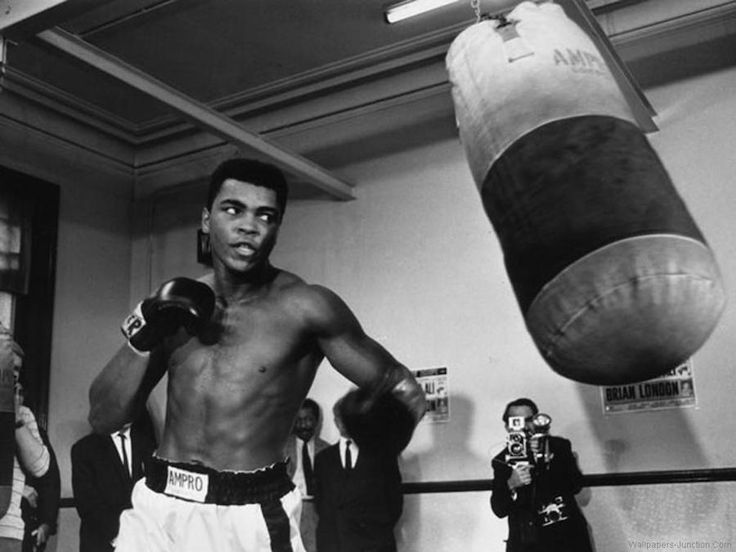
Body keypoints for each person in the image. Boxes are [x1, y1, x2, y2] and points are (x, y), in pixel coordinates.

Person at [87, 158, 427, 552]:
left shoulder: (306, 307)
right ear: (205, 218)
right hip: (159, 503)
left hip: (248, 513)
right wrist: (144, 333)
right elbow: (102, 417)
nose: (249, 225)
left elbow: (405, 391)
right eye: (233, 209)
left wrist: (378, 430)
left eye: (265, 215)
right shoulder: (175, 305)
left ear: (276, 229)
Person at [490, 398, 593, 552]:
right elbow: (499, 509)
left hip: (566, 538)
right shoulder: (501, 461)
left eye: (529, 420)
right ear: (507, 427)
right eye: (516, 421)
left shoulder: (559, 447)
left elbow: (575, 485)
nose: (524, 427)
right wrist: (510, 484)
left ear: (538, 421)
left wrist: (549, 458)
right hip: (527, 541)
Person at [314, 391, 404, 552]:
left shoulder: (381, 455)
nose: (344, 424)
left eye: (348, 419)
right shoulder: (323, 459)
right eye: (340, 419)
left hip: (373, 544)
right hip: (335, 544)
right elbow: (321, 503)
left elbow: (394, 502)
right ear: (335, 421)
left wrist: (375, 531)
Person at [71, 414, 157, 552]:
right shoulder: (84, 449)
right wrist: (126, 534)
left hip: (144, 544)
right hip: (103, 544)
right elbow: (87, 506)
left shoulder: (149, 445)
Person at [0, 326, 50, 552]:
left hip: (9, 532)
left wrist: (17, 418)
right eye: (7, 365)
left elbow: (40, 467)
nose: (13, 373)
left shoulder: (25, 415)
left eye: (17, 369)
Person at [285, 398, 329, 552]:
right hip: (290, 508)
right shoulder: (281, 448)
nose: (304, 425)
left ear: (317, 421)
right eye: (299, 420)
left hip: (316, 509)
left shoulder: (327, 450)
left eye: (309, 419)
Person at [20, 408, 60, 552]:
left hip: (26, 523)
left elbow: (50, 481)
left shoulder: (35, 431)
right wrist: (19, 490)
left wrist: (46, 522)